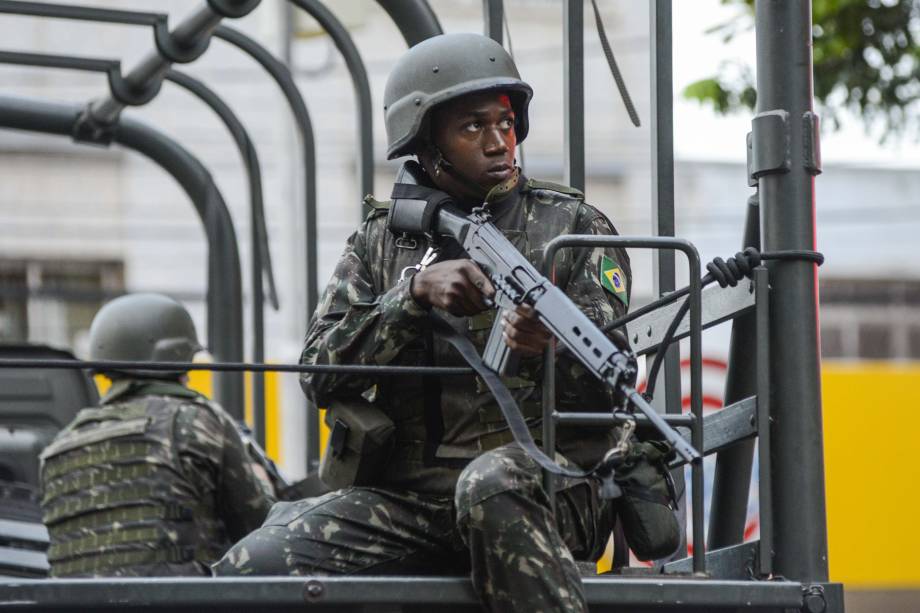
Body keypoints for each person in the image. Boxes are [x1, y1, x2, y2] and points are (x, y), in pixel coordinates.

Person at [214, 33, 635, 612]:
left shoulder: (573, 229)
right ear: (427, 142)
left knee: (491, 485)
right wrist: (410, 297)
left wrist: (547, 349)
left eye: (506, 123)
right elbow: (317, 371)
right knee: (248, 567)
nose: (498, 142)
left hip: (545, 485)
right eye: (473, 127)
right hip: (408, 501)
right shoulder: (380, 241)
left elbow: (614, 386)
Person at [39, 293, 276, 577]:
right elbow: (263, 535)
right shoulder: (195, 420)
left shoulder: (59, 446)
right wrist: (262, 481)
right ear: (176, 357)